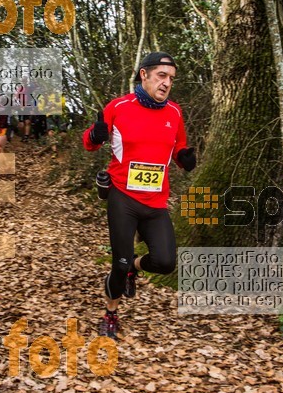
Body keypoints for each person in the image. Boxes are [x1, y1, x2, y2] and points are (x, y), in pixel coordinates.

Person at [82, 52, 197, 339]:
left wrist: (185, 158)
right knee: (118, 264)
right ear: (144, 75)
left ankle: (135, 267)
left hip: (156, 201)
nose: (167, 83)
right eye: (162, 76)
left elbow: (178, 149)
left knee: (166, 262)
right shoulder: (118, 107)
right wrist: (96, 136)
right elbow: (90, 144)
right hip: (123, 195)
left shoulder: (175, 112)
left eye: (171, 79)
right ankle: (110, 314)